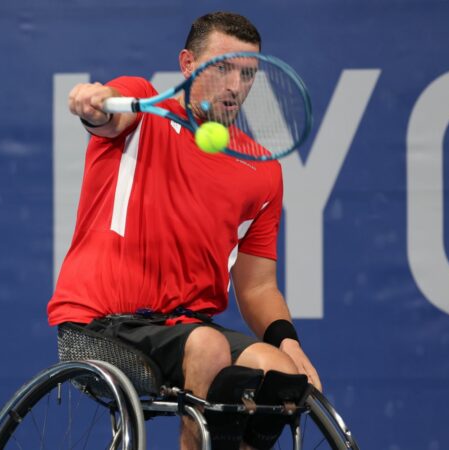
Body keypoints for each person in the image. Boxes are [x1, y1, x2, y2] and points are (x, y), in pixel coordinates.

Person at [48, 11, 321, 450]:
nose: (236, 85)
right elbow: (108, 113)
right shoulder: (143, 110)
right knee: (208, 347)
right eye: (223, 68)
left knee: (284, 377)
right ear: (188, 65)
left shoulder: (261, 172)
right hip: (100, 323)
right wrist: (93, 103)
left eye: (248, 73)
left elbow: (256, 287)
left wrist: (289, 343)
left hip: (184, 329)